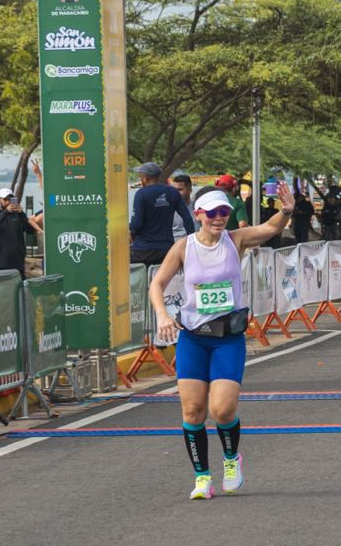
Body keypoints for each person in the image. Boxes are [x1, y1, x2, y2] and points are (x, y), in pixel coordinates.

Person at [150, 188, 296, 499]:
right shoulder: (183, 248)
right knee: (193, 411)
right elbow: (157, 282)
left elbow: (270, 228)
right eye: (212, 213)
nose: (219, 218)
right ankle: (202, 477)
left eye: (224, 212)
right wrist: (162, 313)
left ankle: (231, 459)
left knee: (222, 410)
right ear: (198, 214)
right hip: (193, 337)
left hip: (227, 339)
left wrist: (286, 211)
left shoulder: (236, 240)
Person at [129, 162, 195, 265]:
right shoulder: (172, 192)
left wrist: (131, 232)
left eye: (140, 176)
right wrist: (191, 240)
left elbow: (136, 224)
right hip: (166, 249)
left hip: (143, 249)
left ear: (145, 178)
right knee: (164, 280)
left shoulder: (141, 194)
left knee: (141, 280)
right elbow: (187, 218)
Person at [0, 187, 34, 276]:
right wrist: (5, 212)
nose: (8, 202)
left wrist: (22, 214)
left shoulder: (18, 215)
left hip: (17, 263)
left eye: (10, 199)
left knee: (18, 289)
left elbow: (30, 231)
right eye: (5, 199)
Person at [170, 174, 194, 242]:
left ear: (190, 190)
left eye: (180, 189)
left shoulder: (197, 208)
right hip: (174, 247)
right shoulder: (168, 210)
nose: (176, 193)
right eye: (174, 190)